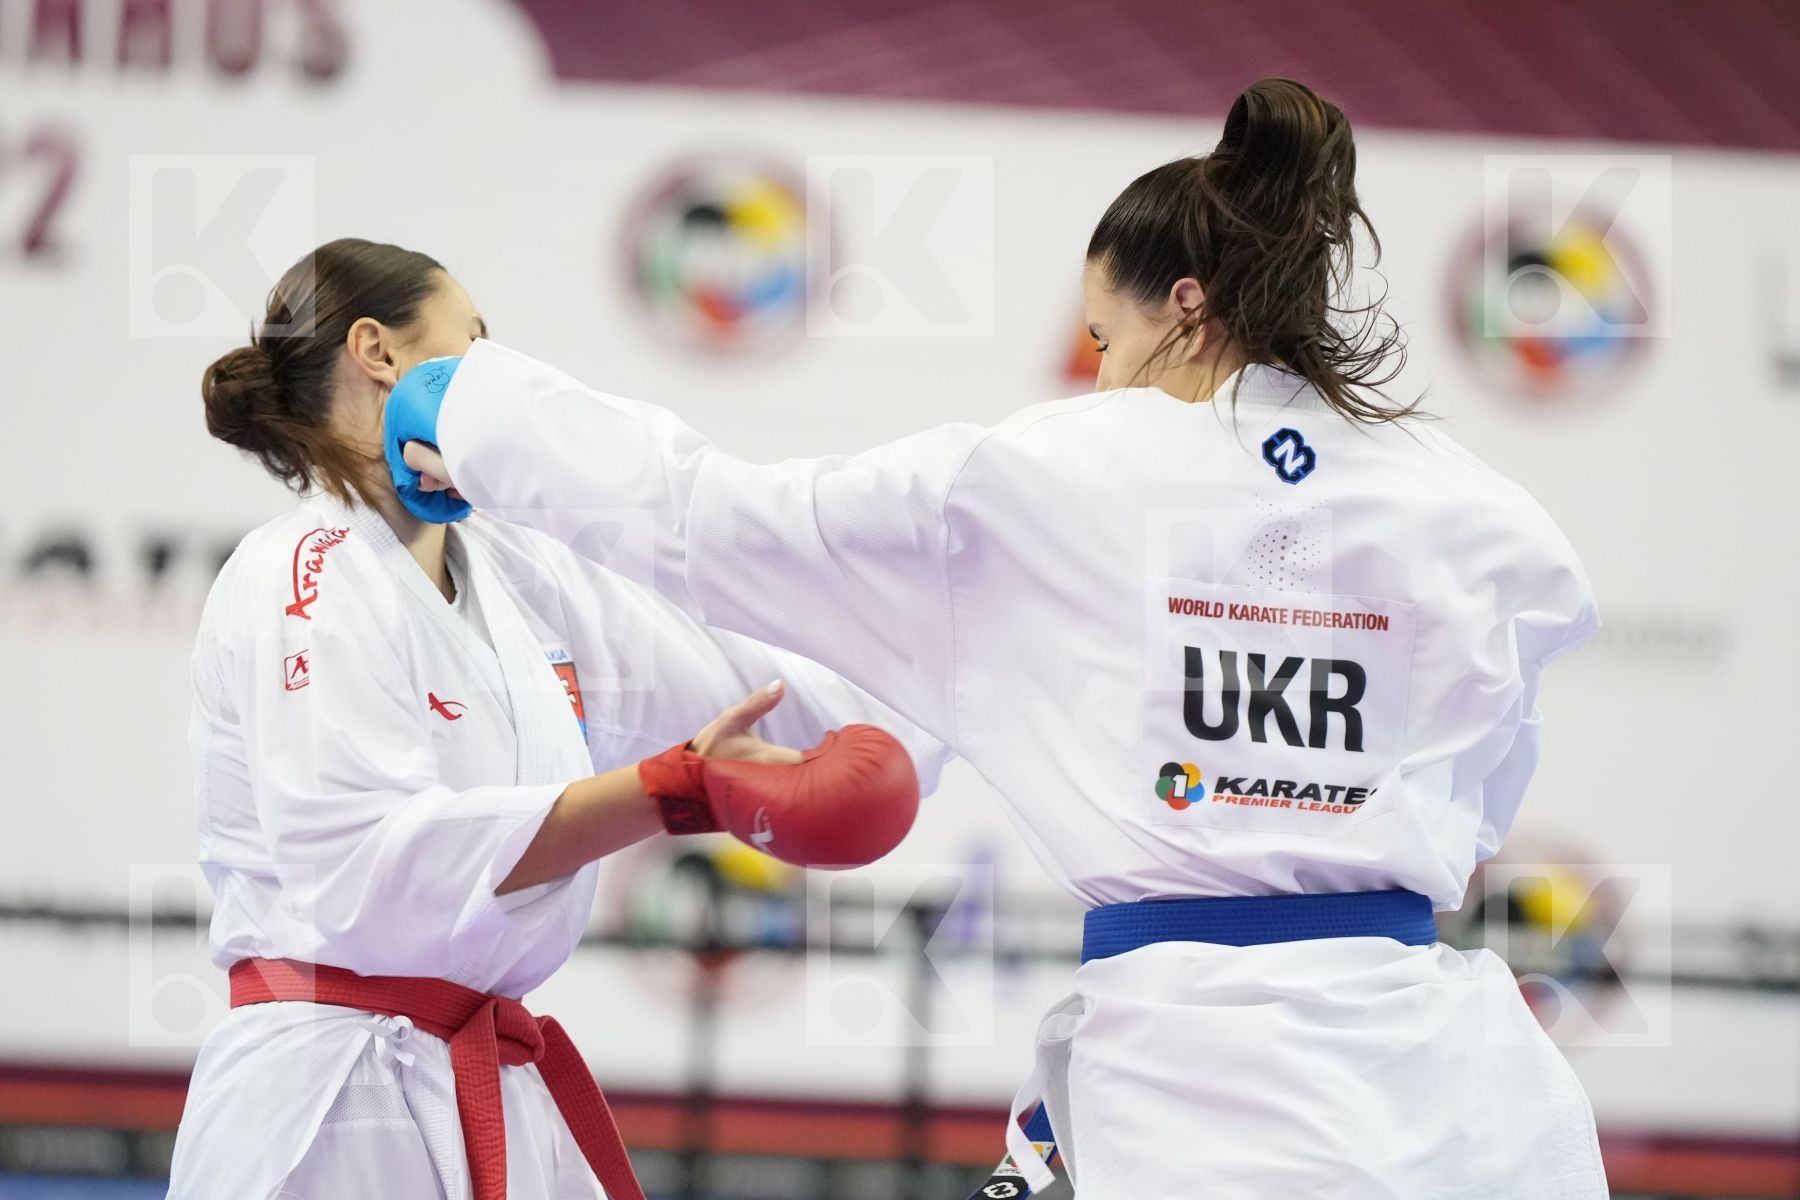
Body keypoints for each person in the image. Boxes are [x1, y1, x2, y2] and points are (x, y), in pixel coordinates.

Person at [395, 79, 1607, 1199]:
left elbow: (710, 516)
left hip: (1209, 1091)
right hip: (1457, 1094)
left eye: (1105, 339)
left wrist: (478, 409)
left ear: (1186, 309)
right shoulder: (1481, 514)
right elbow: (1483, 788)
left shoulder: (1050, 480)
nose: (1101, 377)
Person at [166, 239, 946, 1200]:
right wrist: (668, 793)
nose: (495, 381)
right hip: (333, 1102)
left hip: (490, 1080)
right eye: (473, 342)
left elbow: (750, 693)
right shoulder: (306, 571)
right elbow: (367, 870)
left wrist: (958, 694)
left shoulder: (516, 569)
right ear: (379, 353)